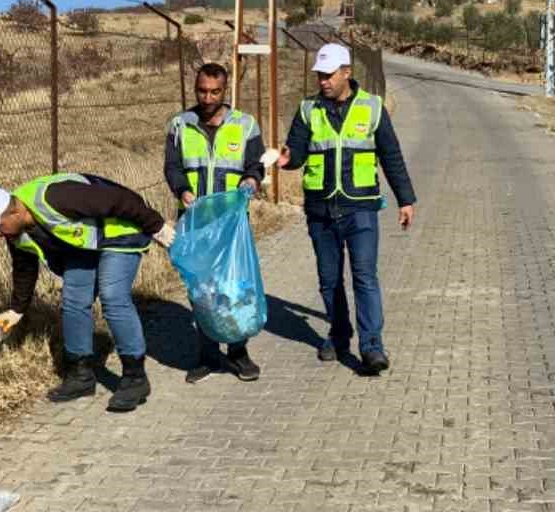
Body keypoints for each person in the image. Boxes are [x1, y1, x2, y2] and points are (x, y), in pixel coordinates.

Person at [0, 172, 175, 413]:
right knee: (73, 301)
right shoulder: (14, 231)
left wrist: (157, 227)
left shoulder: (57, 197)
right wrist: (16, 309)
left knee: (113, 297)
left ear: (15, 212)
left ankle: (134, 377)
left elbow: (119, 199)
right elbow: (24, 268)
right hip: (85, 244)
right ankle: (81, 375)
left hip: (119, 233)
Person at [279, 42, 416, 375]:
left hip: (360, 209)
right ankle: (339, 335)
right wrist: (286, 160)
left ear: (346, 73)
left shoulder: (371, 107)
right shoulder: (308, 109)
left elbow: (391, 155)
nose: (323, 81)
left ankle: (372, 348)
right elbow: (296, 150)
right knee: (329, 280)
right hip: (321, 210)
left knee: (364, 277)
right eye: (319, 76)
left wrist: (406, 199)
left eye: (328, 75)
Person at [164, 61, 266, 383]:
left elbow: (256, 164)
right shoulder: (180, 125)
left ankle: (238, 352)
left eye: (215, 92)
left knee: (234, 286)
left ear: (225, 91)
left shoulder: (246, 125)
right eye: (202, 91)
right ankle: (207, 355)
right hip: (197, 224)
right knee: (202, 289)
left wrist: (251, 180)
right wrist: (182, 191)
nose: (207, 98)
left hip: (231, 223)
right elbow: (172, 167)